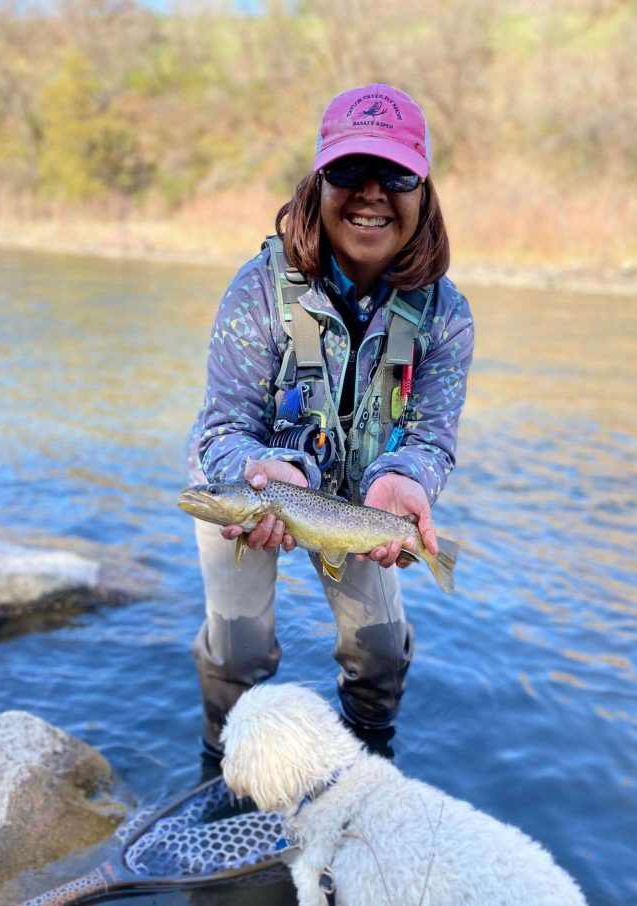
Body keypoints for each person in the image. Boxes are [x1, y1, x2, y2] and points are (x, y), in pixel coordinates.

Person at [187, 83, 474, 757]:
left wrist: (408, 481)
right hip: (255, 493)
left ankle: (369, 757)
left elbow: (432, 437)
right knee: (239, 653)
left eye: (396, 174)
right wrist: (255, 472)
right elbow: (221, 428)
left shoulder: (446, 317)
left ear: (423, 190)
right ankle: (225, 771)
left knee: (380, 655)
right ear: (318, 183)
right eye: (348, 171)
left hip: (360, 506)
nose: (371, 193)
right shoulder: (257, 290)